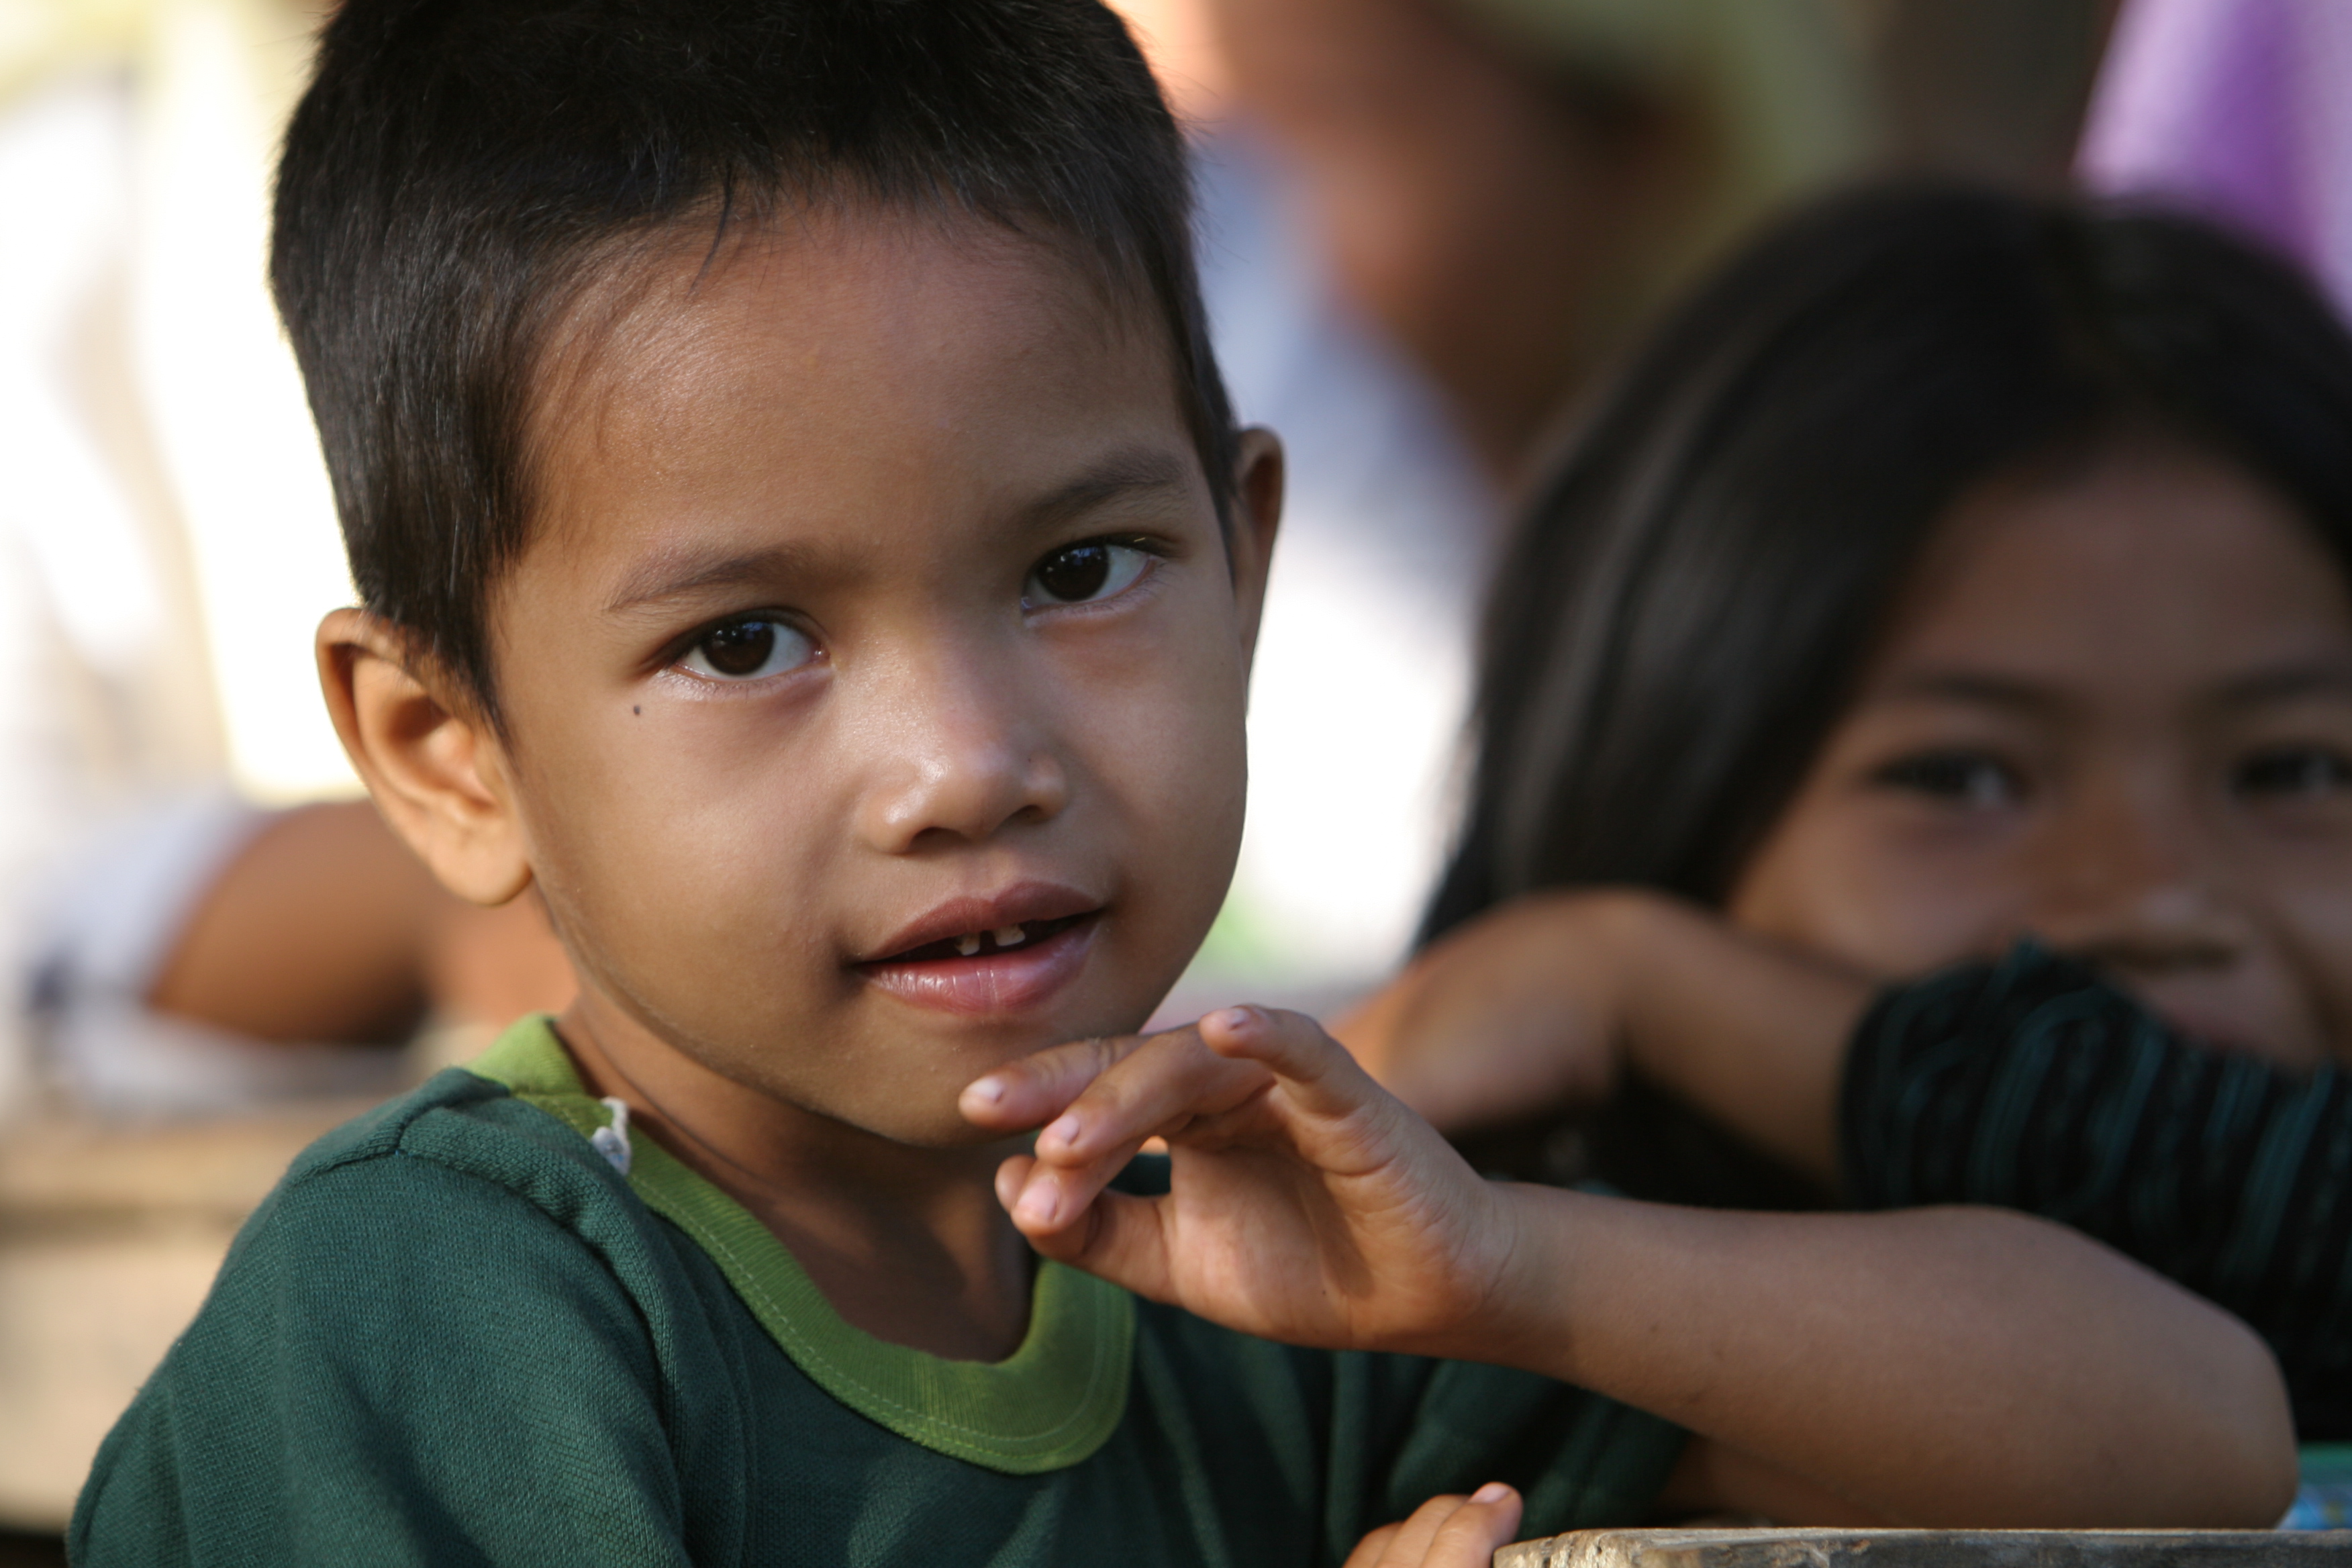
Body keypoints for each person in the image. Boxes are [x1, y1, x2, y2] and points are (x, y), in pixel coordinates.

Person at [72, 11, 2294, 1563]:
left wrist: (1509, 1261)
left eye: (1079, 568)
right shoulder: (447, 1305)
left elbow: (2191, 1434)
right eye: (745, 639)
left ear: (1246, 551)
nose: (970, 761)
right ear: (447, 754)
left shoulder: (1258, 1256)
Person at [1340, 182, 2352, 1438]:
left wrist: (1640, 982)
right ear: (1659, 815)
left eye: (2295, 772)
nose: (2155, 894)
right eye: (1961, 778)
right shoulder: (1458, 1418)